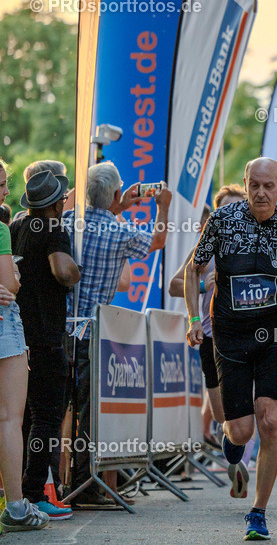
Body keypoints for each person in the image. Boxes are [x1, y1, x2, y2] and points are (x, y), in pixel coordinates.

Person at [185, 158, 277, 541]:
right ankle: (232, 444)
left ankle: (257, 512)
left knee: (270, 419)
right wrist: (195, 320)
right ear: (245, 184)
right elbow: (195, 268)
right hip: (229, 334)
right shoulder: (224, 220)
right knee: (241, 431)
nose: (260, 192)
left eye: (268, 186)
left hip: (273, 332)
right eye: (253, 185)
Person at [63, 161, 171, 505]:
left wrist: (115, 203)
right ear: (112, 194)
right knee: (91, 413)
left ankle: (57, 485)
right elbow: (157, 240)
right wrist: (163, 206)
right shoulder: (118, 231)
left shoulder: (68, 222)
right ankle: (88, 485)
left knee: (58, 412)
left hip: (61, 327)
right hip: (95, 332)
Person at [10, 171, 80, 520]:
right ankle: (35, 494)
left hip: (17, 336)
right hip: (48, 338)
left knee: (18, 418)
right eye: (64, 199)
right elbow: (63, 271)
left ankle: (16, 493)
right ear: (57, 203)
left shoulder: (17, 227)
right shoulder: (55, 230)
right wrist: (75, 270)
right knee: (48, 416)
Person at [170, 186, 247, 445]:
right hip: (212, 334)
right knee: (220, 413)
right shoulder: (206, 247)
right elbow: (173, 284)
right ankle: (234, 446)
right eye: (226, 208)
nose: (233, 214)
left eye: (238, 208)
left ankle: (243, 462)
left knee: (250, 407)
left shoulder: (256, 244)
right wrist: (204, 285)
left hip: (246, 334)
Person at [0, 159, 49, 531]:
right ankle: (16, 505)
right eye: (1, 184)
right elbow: (10, 287)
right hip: (5, 328)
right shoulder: (2, 229)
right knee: (10, 419)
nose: (4, 192)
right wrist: (13, 274)